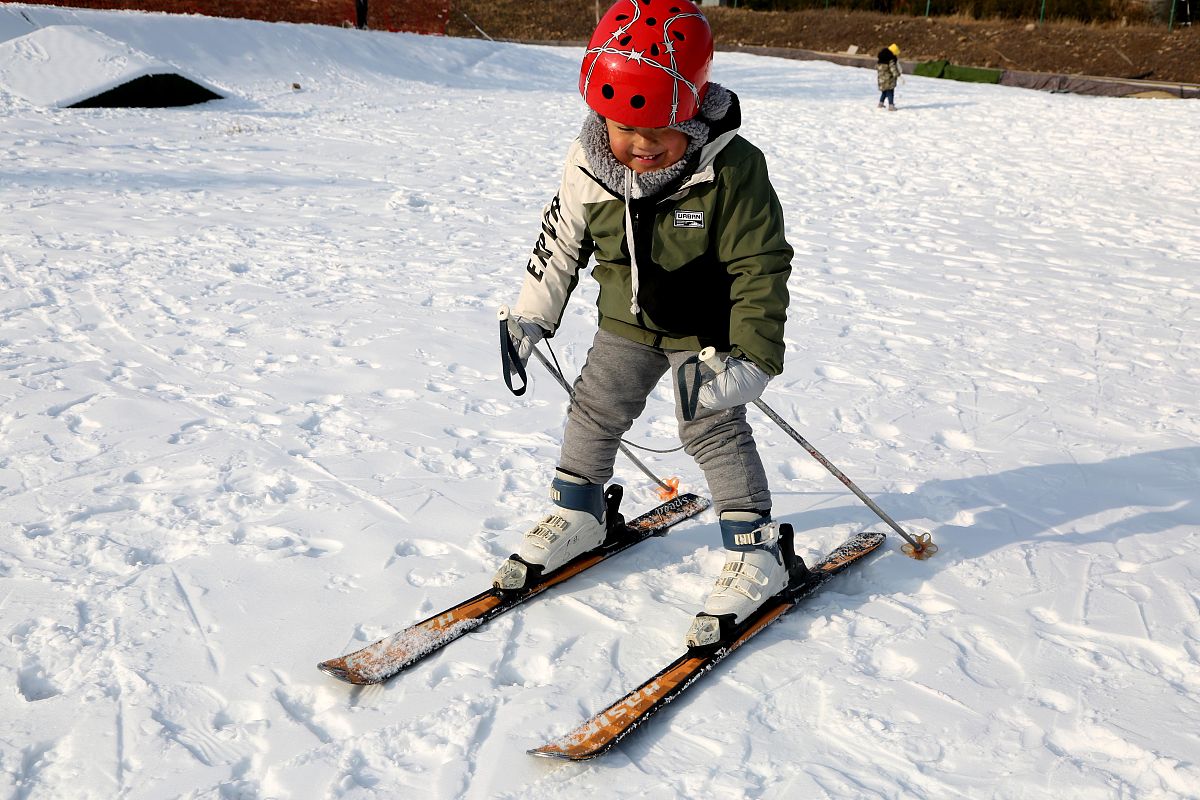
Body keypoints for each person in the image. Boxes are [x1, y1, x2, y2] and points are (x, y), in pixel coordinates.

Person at [493, 0, 796, 650]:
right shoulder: (590, 161)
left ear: (695, 112)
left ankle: (756, 550)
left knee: (710, 427)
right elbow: (560, 240)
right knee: (593, 407)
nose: (637, 145)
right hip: (625, 322)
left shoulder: (732, 169)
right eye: (622, 127)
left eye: (659, 129)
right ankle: (576, 513)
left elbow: (761, 266)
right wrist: (529, 317)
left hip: (705, 330)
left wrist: (751, 355)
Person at [877, 43, 902, 111]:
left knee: (884, 92)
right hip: (889, 79)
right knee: (890, 92)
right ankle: (891, 106)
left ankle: (880, 103)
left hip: (881, 79)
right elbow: (893, 69)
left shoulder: (881, 59)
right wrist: (898, 75)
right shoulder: (891, 59)